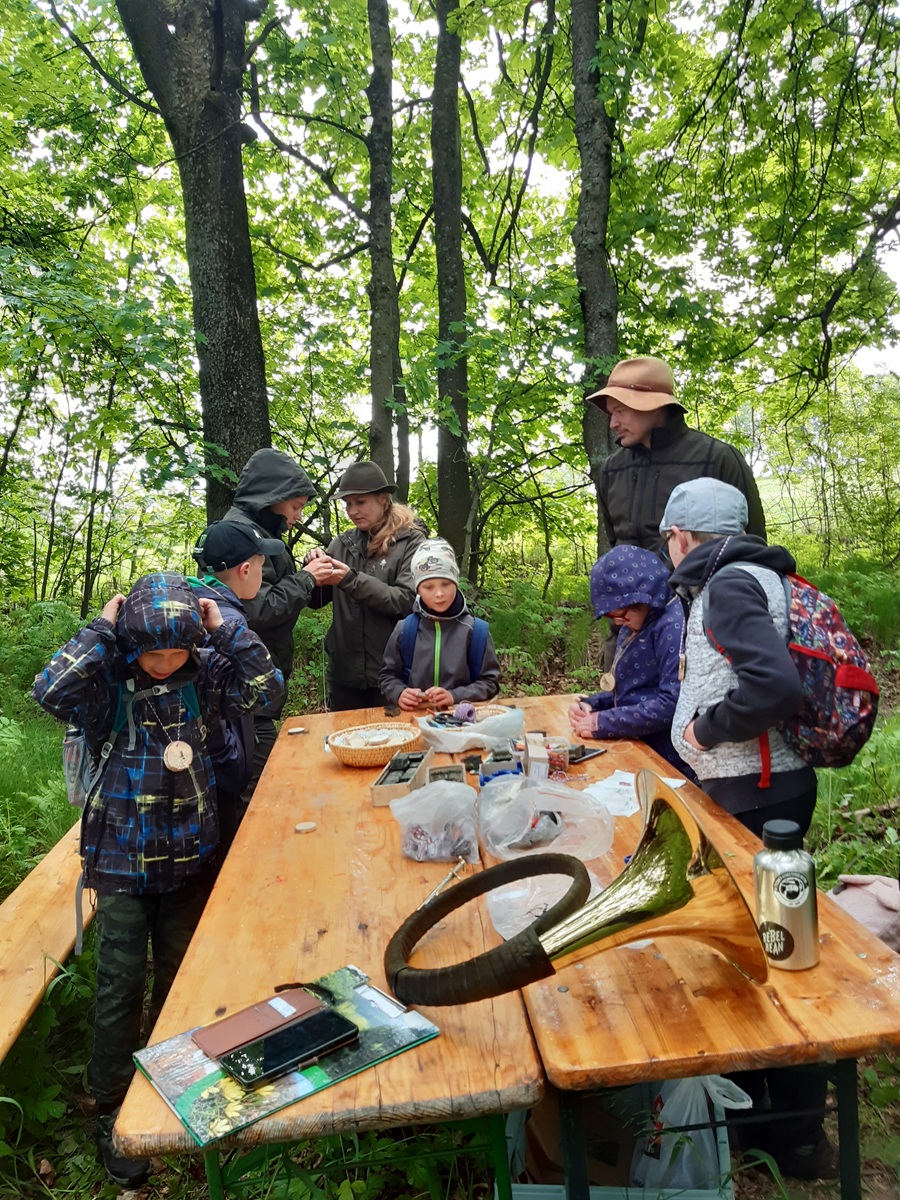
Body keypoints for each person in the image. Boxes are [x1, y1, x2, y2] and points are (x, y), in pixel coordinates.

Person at [31, 572, 283, 1186]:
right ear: (130, 643)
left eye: (175, 650)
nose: (164, 663)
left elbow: (268, 691)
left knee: (177, 976)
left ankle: (169, 1081)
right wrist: (102, 627)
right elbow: (49, 690)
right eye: (152, 652)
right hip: (121, 863)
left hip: (189, 857)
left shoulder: (208, 674)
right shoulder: (108, 681)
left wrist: (227, 631)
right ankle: (112, 1106)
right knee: (120, 986)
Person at [660, 477, 835, 1180]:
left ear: (681, 536)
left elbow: (774, 686)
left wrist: (704, 730)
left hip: (757, 797)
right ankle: (768, 1113)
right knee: (762, 948)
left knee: (770, 956)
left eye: (668, 538)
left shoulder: (730, 585)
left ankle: (794, 1136)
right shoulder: (752, 576)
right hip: (763, 790)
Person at [216, 447, 333, 786]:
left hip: (257, 694)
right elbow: (255, 610)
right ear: (272, 497)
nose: (298, 516)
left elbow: (284, 598)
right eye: (295, 506)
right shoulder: (239, 535)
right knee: (255, 792)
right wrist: (306, 578)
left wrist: (316, 578)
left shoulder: (264, 535)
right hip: (245, 694)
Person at [587, 356, 766, 553]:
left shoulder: (716, 459)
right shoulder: (611, 469)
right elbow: (615, 540)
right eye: (611, 413)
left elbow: (752, 545)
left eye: (620, 411)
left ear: (654, 406)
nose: (613, 424)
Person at [189, 519, 287, 850]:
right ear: (245, 570)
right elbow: (266, 688)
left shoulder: (191, 602)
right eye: (261, 566)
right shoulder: (225, 619)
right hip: (216, 770)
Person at [306, 461, 426, 710]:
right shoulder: (341, 544)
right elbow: (315, 601)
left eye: (360, 502)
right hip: (345, 676)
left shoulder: (412, 542)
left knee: (397, 735)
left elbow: (405, 601)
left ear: (383, 499)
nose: (352, 511)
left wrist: (349, 580)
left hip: (396, 674)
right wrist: (311, 570)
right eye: (347, 503)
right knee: (348, 736)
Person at [568, 545, 689, 773]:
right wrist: (593, 704)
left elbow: (672, 703)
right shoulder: (635, 621)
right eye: (611, 615)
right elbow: (630, 689)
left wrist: (602, 722)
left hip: (667, 760)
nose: (618, 622)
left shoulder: (672, 626)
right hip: (637, 745)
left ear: (645, 599)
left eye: (621, 614)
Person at [380, 538, 500, 710]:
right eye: (428, 587)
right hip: (414, 717)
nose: (439, 594)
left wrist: (455, 696)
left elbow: (490, 683)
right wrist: (399, 693)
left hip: (463, 719)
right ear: (417, 590)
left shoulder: (476, 632)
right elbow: (387, 676)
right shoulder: (405, 630)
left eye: (446, 584)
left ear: (456, 584)